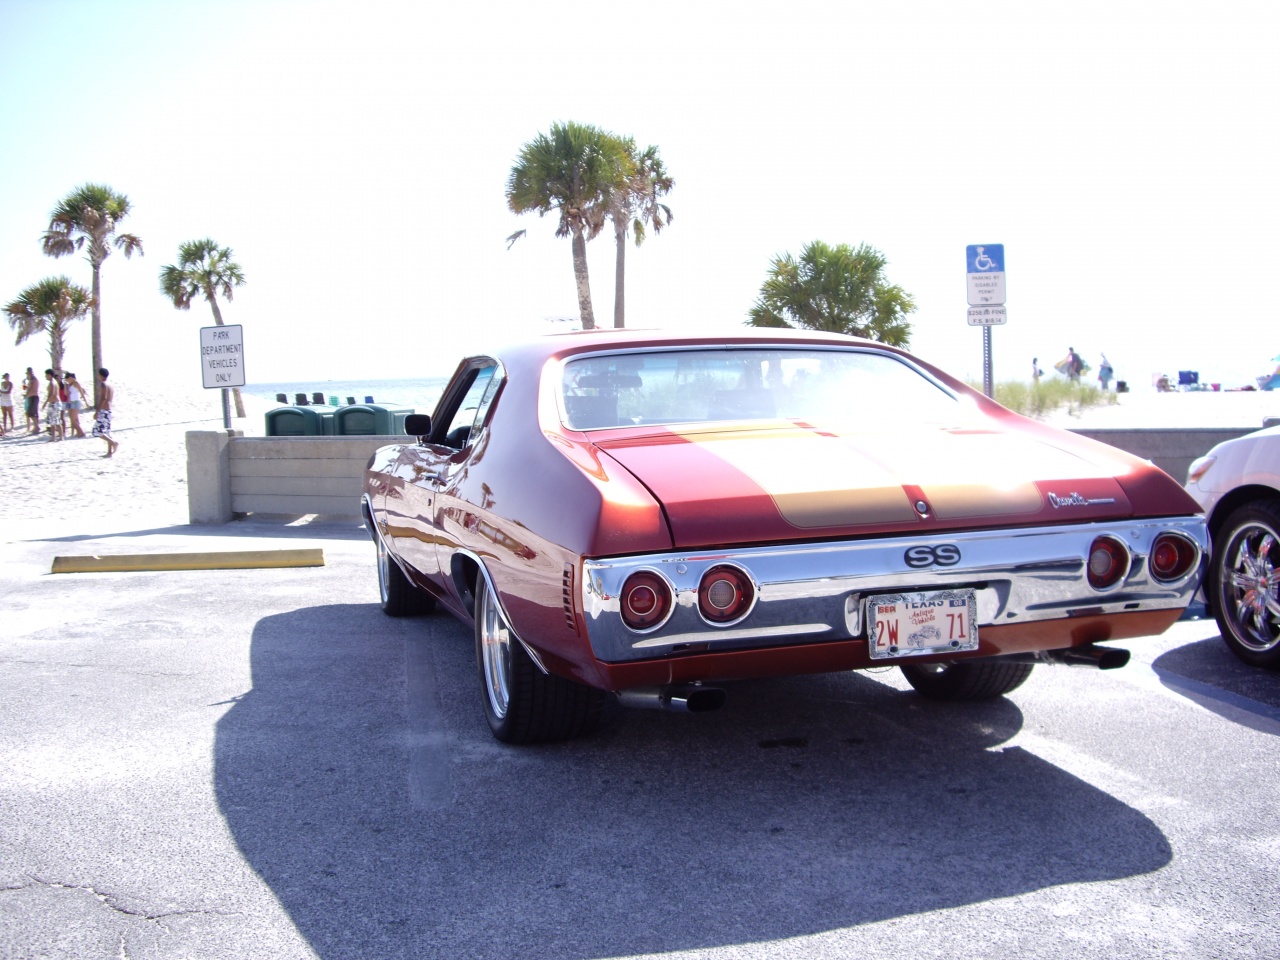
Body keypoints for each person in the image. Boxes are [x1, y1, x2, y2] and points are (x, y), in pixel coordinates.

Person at [92, 367, 118, 457]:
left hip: (104, 410)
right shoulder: (110, 385)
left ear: (100, 375)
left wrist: (97, 411)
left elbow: (104, 398)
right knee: (107, 432)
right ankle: (109, 452)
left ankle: (113, 443)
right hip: (109, 410)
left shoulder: (103, 384)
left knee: (97, 431)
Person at [63, 372, 87, 438]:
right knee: (75, 419)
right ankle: (79, 432)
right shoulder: (70, 385)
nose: (67, 380)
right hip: (71, 402)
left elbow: (82, 393)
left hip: (75, 402)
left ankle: (81, 432)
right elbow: (66, 393)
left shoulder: (76, 383)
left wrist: (86, 403)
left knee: (73, 420)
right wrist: (65, 385)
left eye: (67, 379)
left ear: (70, 378)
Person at [43, 369, 64, 441]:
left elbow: (51, 394)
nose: (45, 376)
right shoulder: (53, 382)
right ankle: (56, 437)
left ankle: (58, 437)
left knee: (55, 421)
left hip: (54, 403)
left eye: (46, 375)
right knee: (54, 421)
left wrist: (45, 403)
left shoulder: (52, 383)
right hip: (54, 403)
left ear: (49, 375)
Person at [22, 366, 40, 434]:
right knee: (33, 413)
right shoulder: (32, 380)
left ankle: (37, 427)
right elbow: (26, 388)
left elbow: (30, 389)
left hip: (33, 397)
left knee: (31, 413)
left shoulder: (32, 380)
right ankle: (36, 427)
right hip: (32, 397)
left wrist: (26, 395)